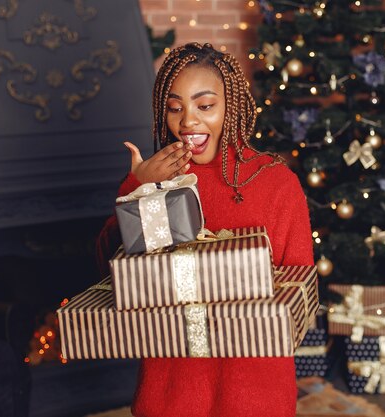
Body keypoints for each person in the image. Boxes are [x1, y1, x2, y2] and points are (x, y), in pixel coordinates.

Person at [96, 42, 314, 417]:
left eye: (205, 106)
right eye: (175, 107)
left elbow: (296, 301)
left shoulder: (277, 184)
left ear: (231, 106)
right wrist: (139, 188)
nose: (188, 122)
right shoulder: (153, 177)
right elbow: (111, 273)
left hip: (254, 396)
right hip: (170, 395)